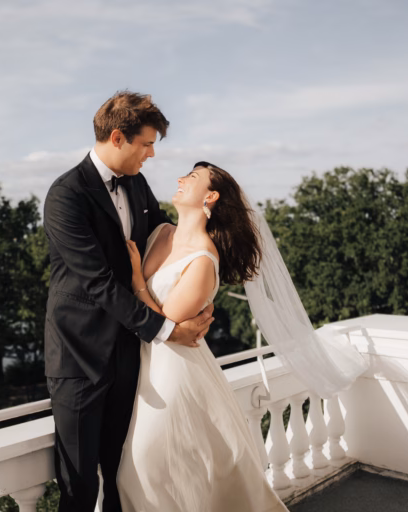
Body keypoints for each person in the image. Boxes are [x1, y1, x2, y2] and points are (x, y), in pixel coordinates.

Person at [43, 91, 215, 512]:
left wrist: (204, 277)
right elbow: (98, 282)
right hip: (78, 358)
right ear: (117, 137)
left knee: (125, 478)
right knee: (80, 487)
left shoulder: (137, 184)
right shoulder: (66, 195)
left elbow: (167, 236)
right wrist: (168, 330)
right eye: (146, 143)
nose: (152, 154)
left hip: (129, 356)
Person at [118, 161, 289, 512]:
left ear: (210, 196)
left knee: (147, 465)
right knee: (138, 473)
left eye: (192, 178)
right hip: (137, 371)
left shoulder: (204, 259)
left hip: (174, 375)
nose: (180, 179)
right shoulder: (160, 232)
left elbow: (165, 325)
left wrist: (137, 279)